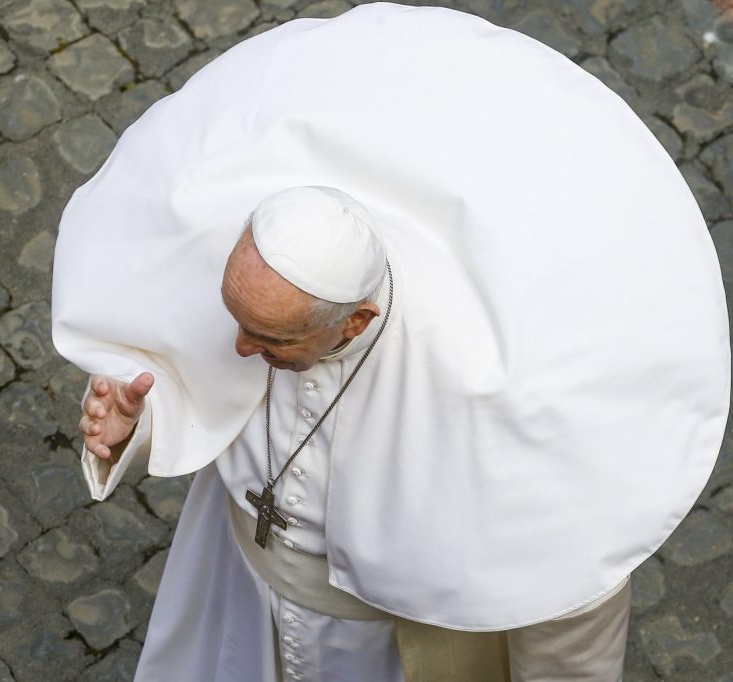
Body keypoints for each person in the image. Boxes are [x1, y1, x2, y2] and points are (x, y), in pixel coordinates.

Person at [51, 5, 729, 681]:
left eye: (272, 339)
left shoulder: (492, 386)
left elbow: (567, 576)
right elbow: (186, 378)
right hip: (237, 590)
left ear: (356, 321)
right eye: (237, 321)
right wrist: (134, 430)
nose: (237, 349)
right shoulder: (251, 286)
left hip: (393, 649)